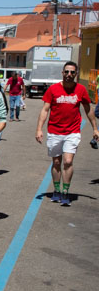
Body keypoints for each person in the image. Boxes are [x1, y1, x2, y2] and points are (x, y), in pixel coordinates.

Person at [35, 61, 99, 206]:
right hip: (54, 131)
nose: (69, 74)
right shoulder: (53, 89)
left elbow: (88, 109)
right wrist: (39, 129)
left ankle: (65, 192)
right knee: (56, 162)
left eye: (72, 72)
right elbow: (45, 110)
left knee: (68, 161)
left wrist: (95, 128)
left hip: (72, 131)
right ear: (62, 73)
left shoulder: (81, 89)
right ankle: (56, 190)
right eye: (67, 72)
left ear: (76, 74)